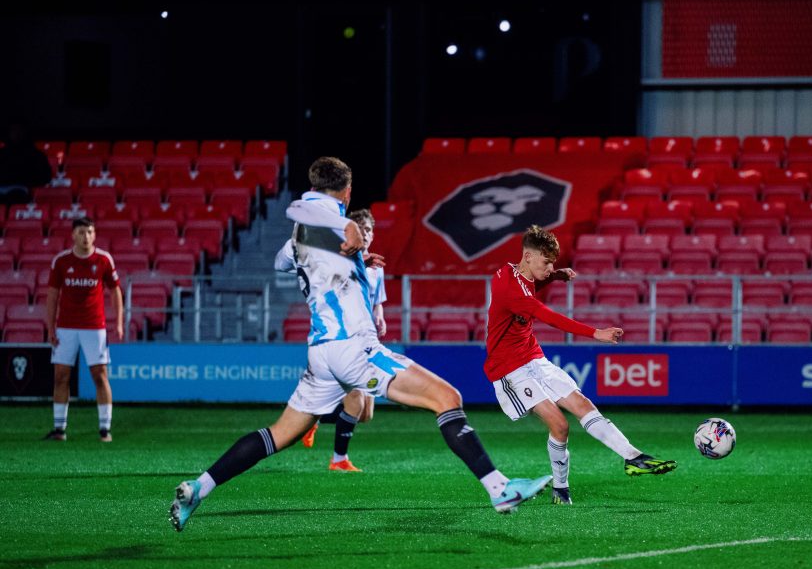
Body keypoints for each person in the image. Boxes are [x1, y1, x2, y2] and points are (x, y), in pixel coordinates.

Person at [169, 157, 550, 531]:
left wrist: (347, 257)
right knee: (446, 398)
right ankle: (499, 488)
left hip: (321, 353)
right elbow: (296, 207)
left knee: (281, 432)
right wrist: (344, 226)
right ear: (347, 192)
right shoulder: (329, 219)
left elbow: (282, 261)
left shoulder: (306, 235)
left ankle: (199, 488)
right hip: (353, 346)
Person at [485, 225, 676, 506]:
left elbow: (531, 286)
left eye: (553, 263)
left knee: (582, 404)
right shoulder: (507, 284)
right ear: (528, 256)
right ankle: (561, 490)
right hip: (509, 369)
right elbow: (546, 315)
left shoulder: (523, 275)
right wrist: (594, 332)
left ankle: (633, 457)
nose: (550, 267)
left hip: (533, 357)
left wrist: (553, 277)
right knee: (560, 426)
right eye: (546, 262)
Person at [299, 208, 385, 472]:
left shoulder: (375, 269)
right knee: (357, 399)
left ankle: (313, 419)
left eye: (369, 229)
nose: (366, 234)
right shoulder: (340, 262)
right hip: (344, 340)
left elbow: (376, 299)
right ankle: (338, 460)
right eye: (361, 229)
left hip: (366, 339)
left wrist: (379, 317)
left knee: (366, 414)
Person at [42, 217, 123, 442]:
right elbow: (52, 296)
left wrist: (118, 322)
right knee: (61, 376)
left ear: (94, 235)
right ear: (73, 235)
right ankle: (59, 430)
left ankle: (104, 430)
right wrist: (51, 326)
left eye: (89, 232)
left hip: (94, 327)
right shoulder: (61, 261)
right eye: (81, 232)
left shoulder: (104, 260)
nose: (85, 237)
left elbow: (115, 291)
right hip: (65, 328)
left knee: (100, 375)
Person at [0, 124, 52, 205]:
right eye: (14, 131)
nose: (16, 134)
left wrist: (25, 181)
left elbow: (45, 177)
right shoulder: (2, 154)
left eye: (19, 131)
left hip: (21, 192)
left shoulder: (36, 155)